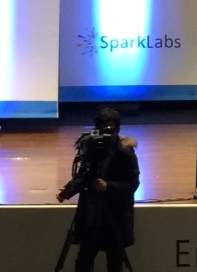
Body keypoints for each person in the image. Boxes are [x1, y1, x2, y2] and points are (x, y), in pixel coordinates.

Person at [57, 107, 140, 272]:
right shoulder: (91, 146)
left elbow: (132, 184)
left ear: (118, 128)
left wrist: (108, 186)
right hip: (92, 216)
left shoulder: (125, 152)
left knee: (115, 264)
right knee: (83, 262)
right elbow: (85, 175)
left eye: (111, 129)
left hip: (115, 216)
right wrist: (68, 191)